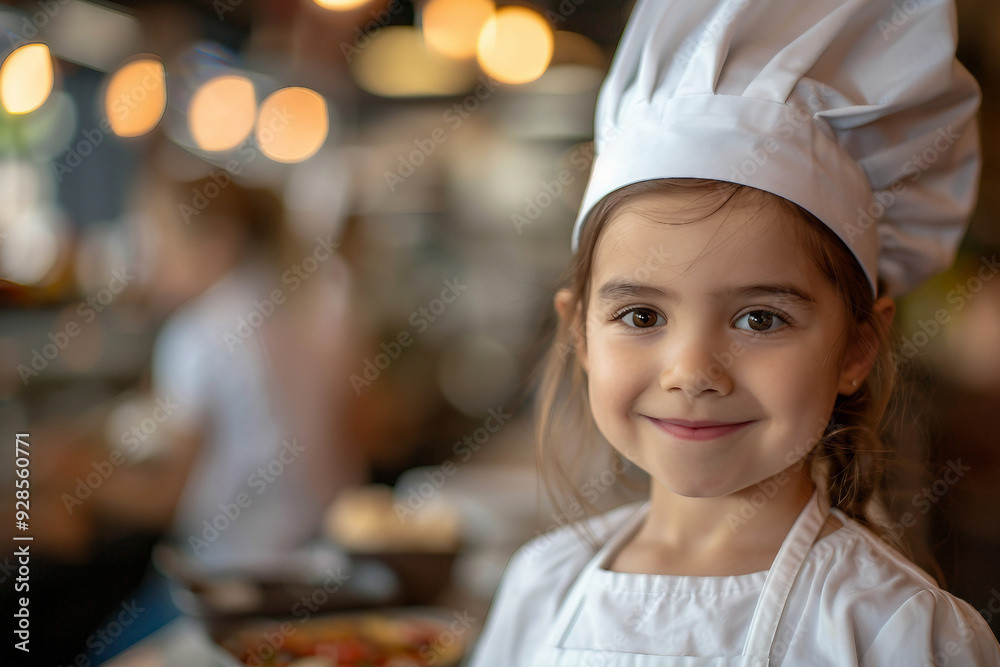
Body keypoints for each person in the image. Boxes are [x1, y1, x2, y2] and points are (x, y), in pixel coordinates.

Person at [467, 0, 1000, 664]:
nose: (692, 370)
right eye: (641, 316)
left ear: (857, 348)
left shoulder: (894, 629)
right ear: (579, 331)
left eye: (760, 318)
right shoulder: (541, 587)